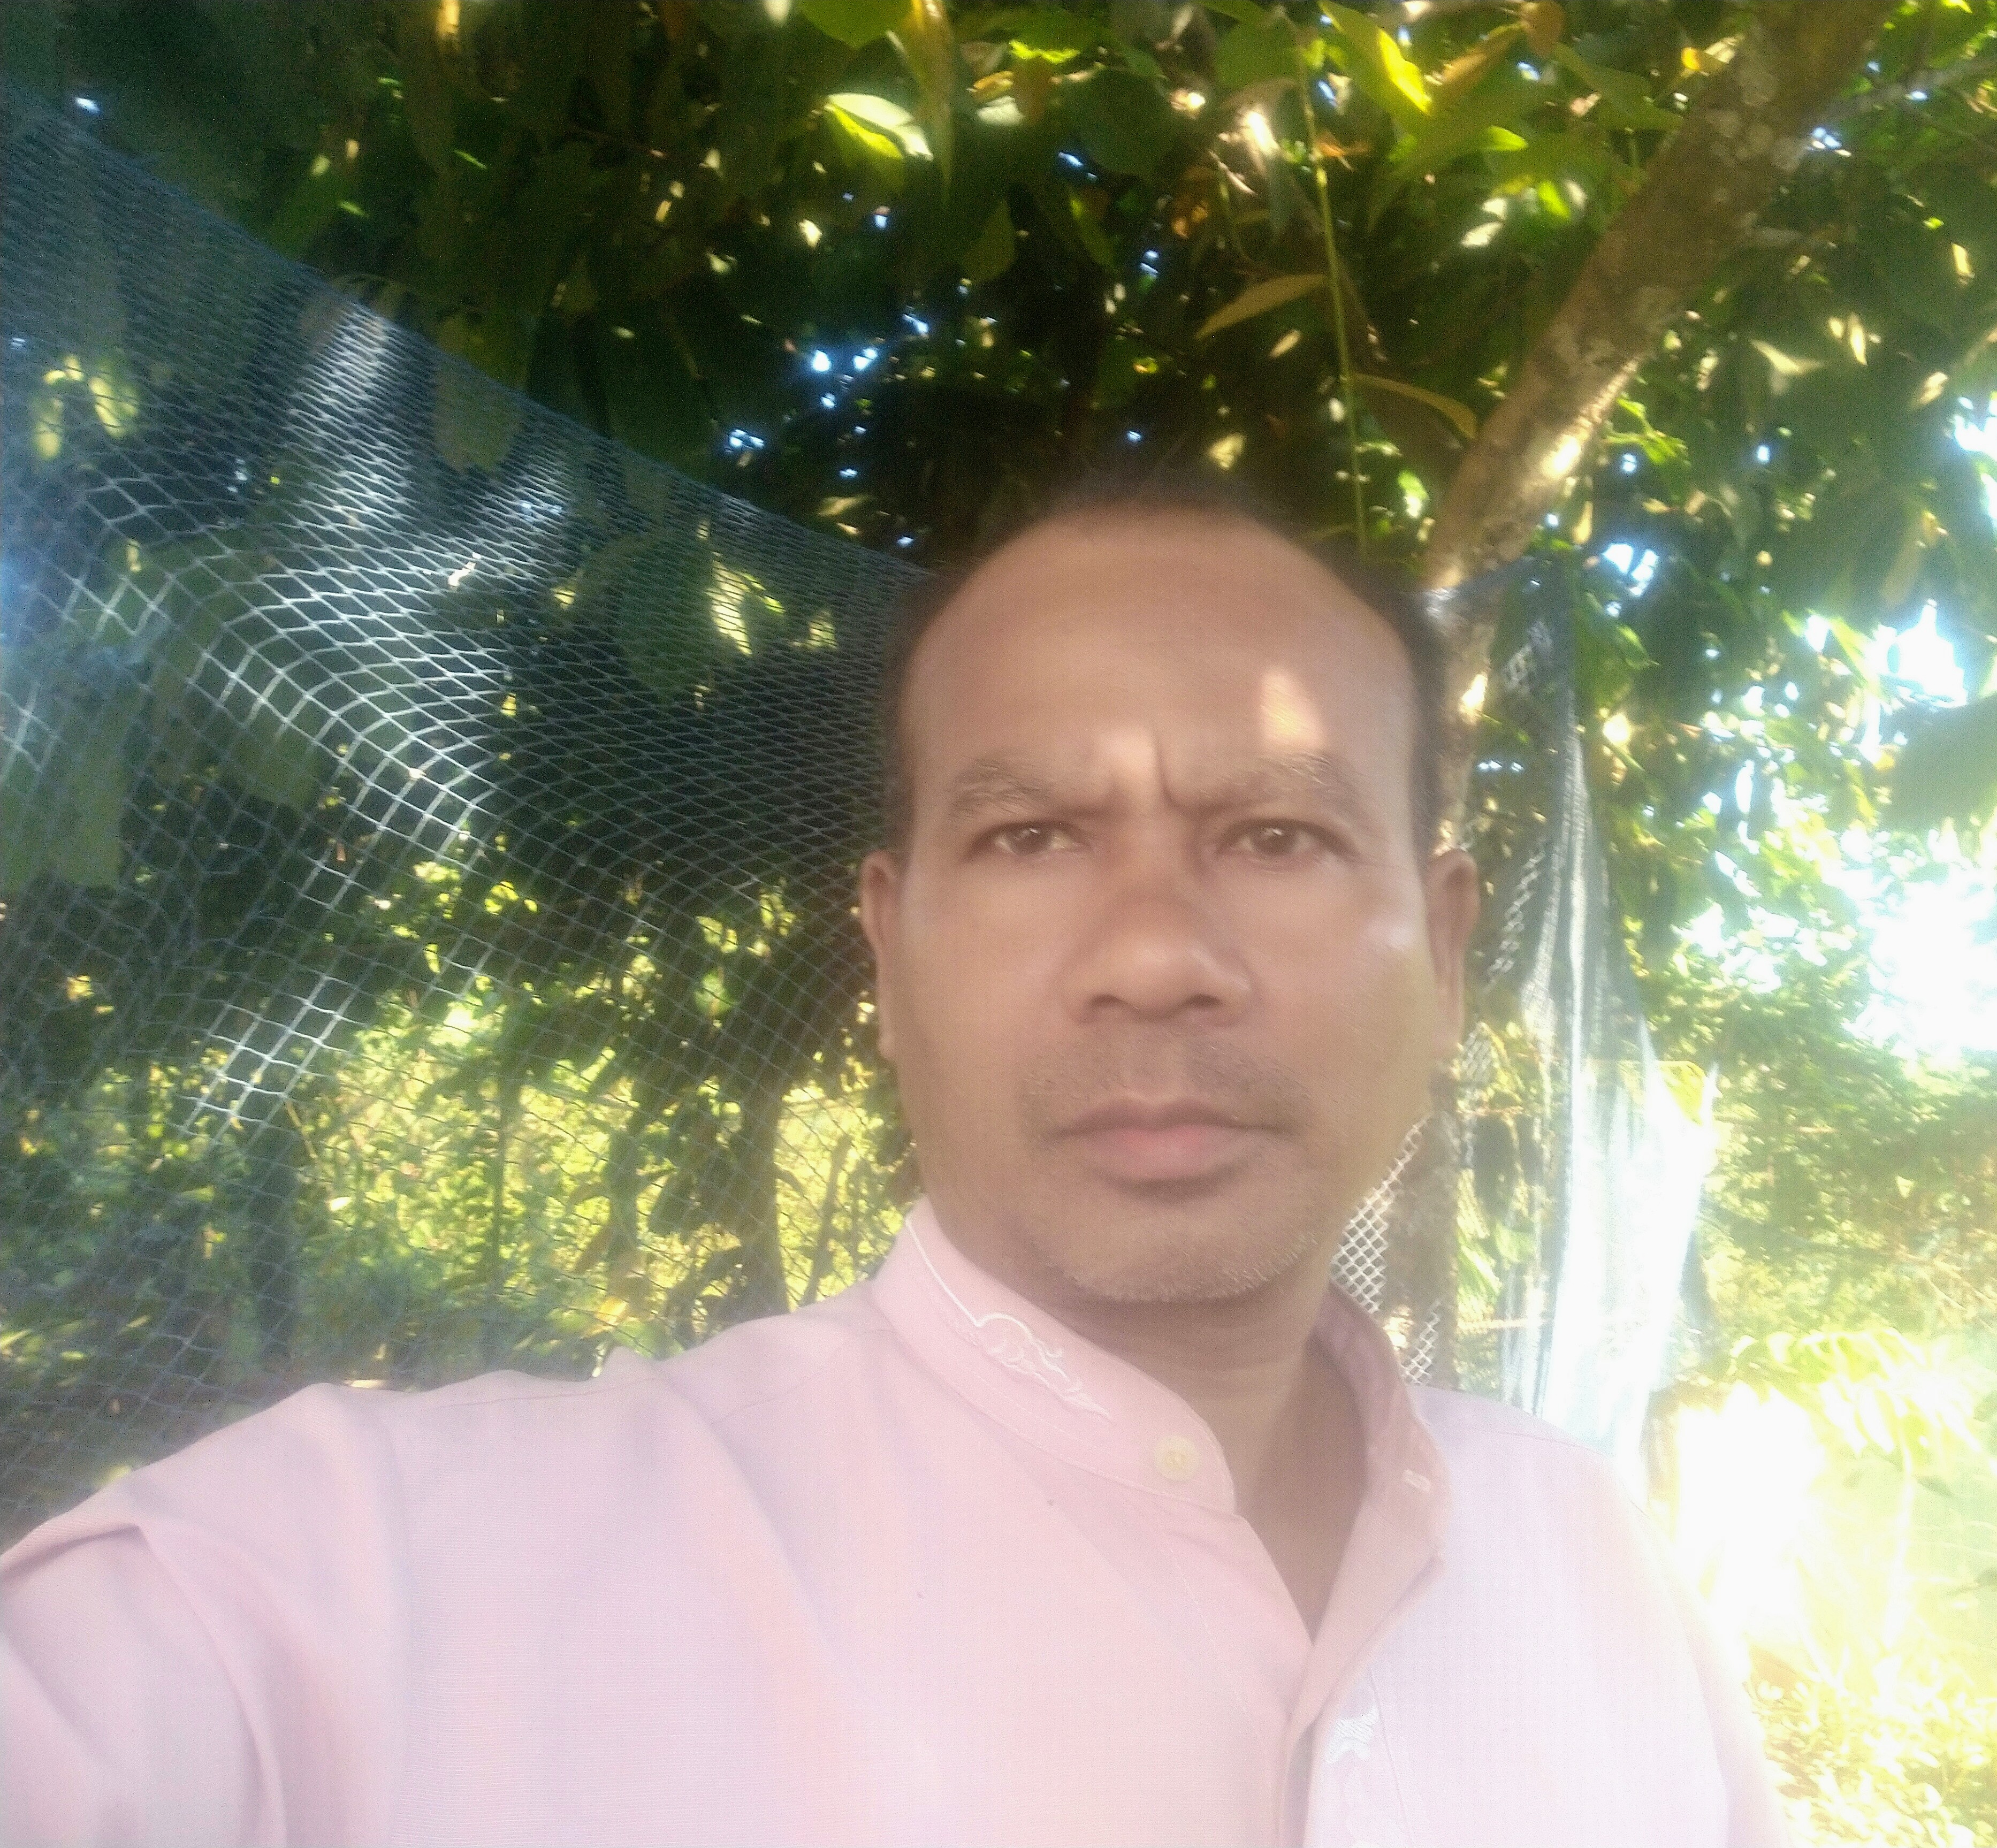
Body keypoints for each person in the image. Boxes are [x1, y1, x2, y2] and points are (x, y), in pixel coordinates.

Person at [0, 475, 1790, 1847]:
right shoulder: (357, 1588)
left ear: (1449, 950)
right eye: (1030, 836)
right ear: (886, 952)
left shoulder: (1596, 1573)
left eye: (1275, 834)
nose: (1154, 953)